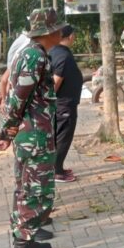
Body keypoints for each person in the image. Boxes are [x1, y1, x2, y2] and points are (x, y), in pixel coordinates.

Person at [0, 8, 66, 248]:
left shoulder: (33, 53)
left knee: (25, 188)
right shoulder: (34, 56)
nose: (61, 31)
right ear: (49, 32)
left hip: (33, 134)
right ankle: (24, 246)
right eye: (58, 28)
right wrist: (7, 132)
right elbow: (18, 100)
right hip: (35, 136)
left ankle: (24, 240)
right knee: (36, 192)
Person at [49, 25, 83, 183]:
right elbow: (56, 82)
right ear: (70, 36)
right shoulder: (63, 56)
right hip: (64, 104)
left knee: (59, 135)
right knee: (63, 137)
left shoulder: (54, 51)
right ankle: (56, 171)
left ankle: (58, 167)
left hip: (63, 103)